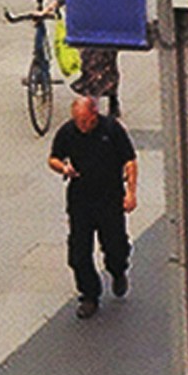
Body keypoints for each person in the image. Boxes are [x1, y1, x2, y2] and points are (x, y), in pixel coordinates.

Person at [46, 94, 139, 317]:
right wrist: (63, 168)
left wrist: (131, 193)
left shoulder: (112, 129)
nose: (82, 126)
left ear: (94, 115)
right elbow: (53, 158)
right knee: (78, 253)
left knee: (115, 246)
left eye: (85, 121)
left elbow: (130, 160)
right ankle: (89, 295)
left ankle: (118, 270)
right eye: (78, 122)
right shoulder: (68, 132)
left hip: (109, 198)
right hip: (80, 199)